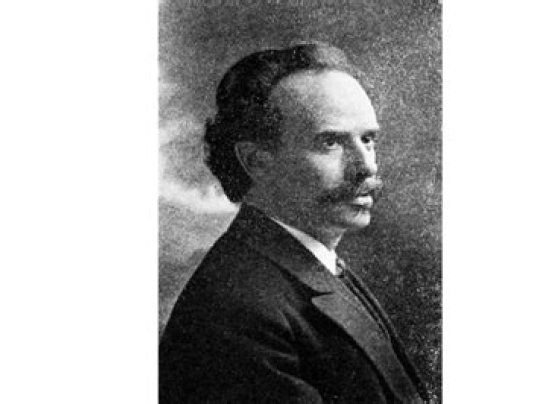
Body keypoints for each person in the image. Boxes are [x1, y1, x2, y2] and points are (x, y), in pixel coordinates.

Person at [159, 42, 430, 403]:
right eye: (330, 142)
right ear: (256, 162)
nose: (366, 166)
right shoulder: (241, 314)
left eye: (368, 139)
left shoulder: (310, 263)